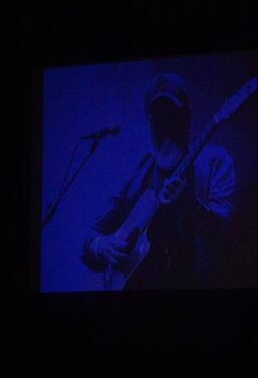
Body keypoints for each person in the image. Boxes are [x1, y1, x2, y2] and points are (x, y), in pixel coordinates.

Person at [82, 72, 237, 288]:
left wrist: (189, 206)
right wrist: (99, 245)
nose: (165, 126)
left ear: (187, 116)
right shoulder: (138, 173)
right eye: (157, 117)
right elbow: (90, 234)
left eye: (172, 113)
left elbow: (229, 235)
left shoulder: (214, 162)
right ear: (148, 122)